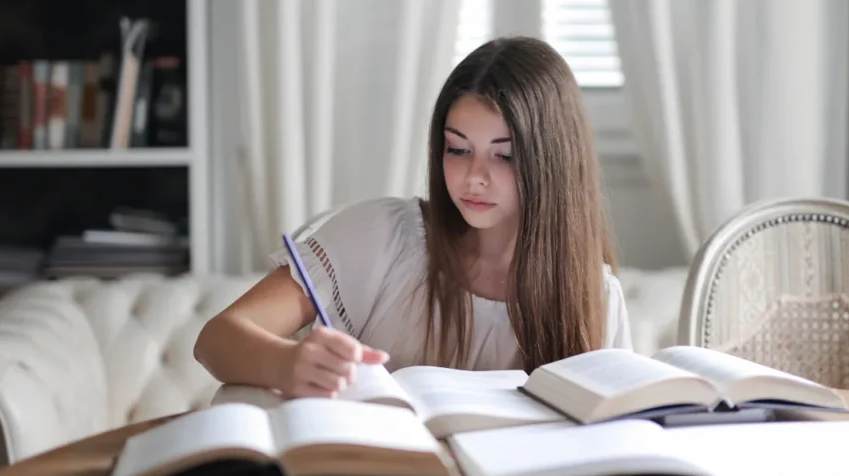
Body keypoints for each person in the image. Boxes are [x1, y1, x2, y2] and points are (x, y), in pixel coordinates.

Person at [193, 36, 633, 399]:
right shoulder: (382, 237)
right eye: (457, 149)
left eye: (505, 156)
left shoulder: (594, 296)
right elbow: (216, 340)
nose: (474, 178)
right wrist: (286, 363)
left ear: (551, 162)